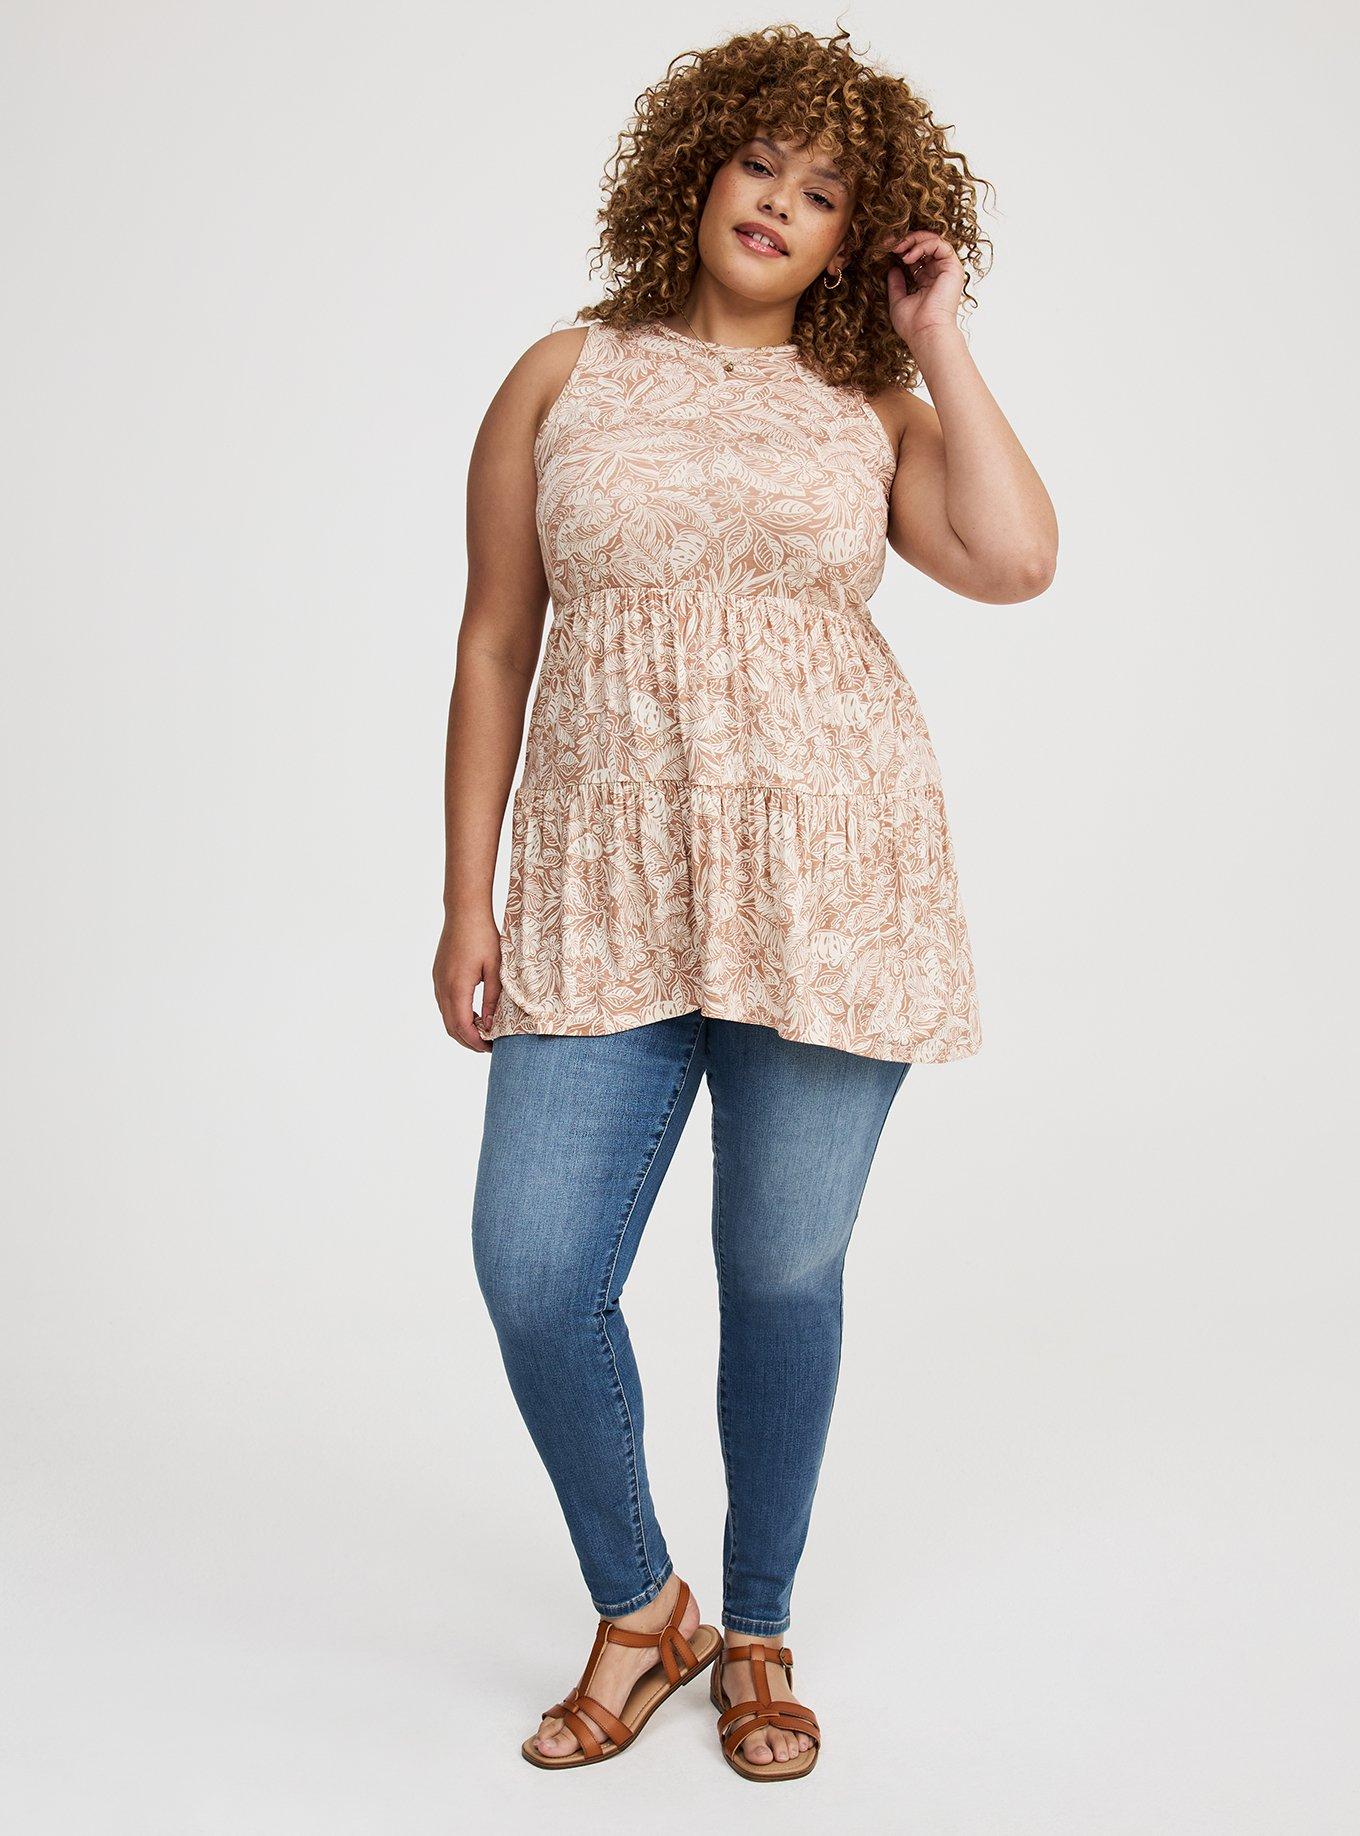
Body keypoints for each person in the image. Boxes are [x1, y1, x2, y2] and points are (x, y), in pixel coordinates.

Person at [433, 23, 1057, 1781]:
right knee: (534, 1268)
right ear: (696, 170)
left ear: (860, 235)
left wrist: (936, 338)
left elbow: (1017, 560)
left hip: (828, 882)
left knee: (780, 1270)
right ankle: (647, 1610)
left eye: (824, 191)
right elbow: (494, 642)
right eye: (758, 164)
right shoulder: (563, 374)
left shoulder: (873, 410)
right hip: (601, 879)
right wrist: (466, 897)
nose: (778, 202)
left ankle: (760, 1628)